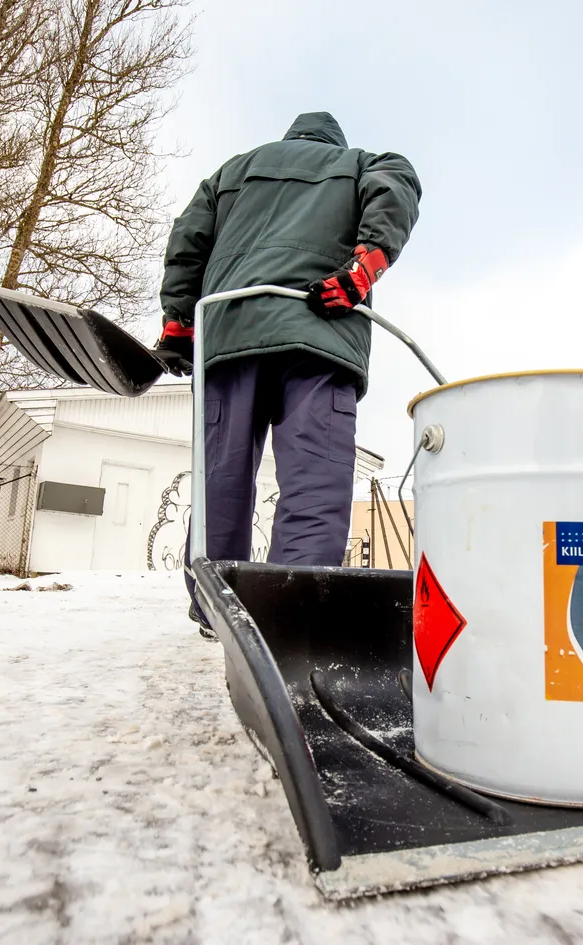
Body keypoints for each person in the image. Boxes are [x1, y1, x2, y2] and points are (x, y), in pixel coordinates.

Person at [155, 111, 421, 637]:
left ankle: (215, 606)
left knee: (221, 476)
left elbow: (188, 240)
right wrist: (363, 268)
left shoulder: (232, 173)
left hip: (230, 331)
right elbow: (399, 181)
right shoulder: (361, 164)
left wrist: (180, 321)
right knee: (315, 479)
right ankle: (293, 610)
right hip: (320, 334)